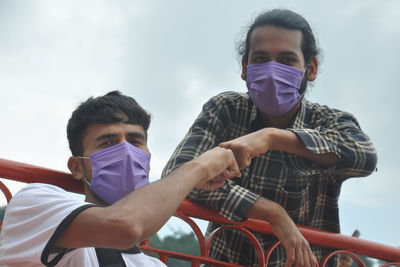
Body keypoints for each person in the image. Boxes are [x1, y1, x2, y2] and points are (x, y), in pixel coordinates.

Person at [162, 9, 377, 267]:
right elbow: (178, 174)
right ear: (245, 67)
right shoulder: (226, 110)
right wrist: (272, 213)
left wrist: (272, 138)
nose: (272, 71)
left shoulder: (329, 122)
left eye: (287, 60)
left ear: (310, 68)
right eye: (261, 59)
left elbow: (364, 157)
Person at [0, 91, 241, 266]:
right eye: (107, 143)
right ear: (77, 167)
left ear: (147, 157)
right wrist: (198, 167)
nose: (127, 153)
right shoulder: (36, 203)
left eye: (136, 142)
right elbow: (125, 226)